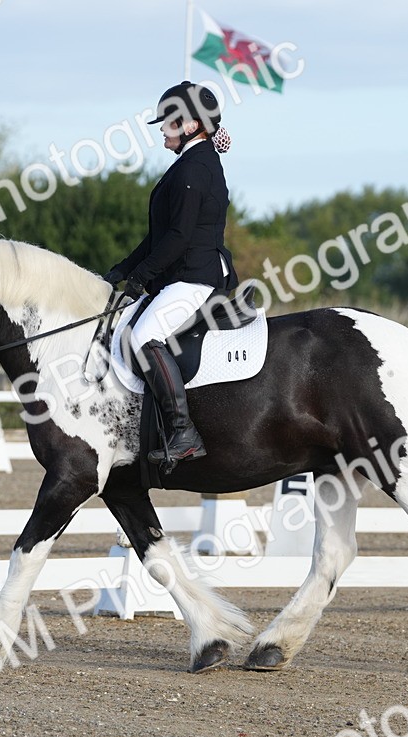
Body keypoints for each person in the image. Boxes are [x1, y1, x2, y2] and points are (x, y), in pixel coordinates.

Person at [104, 81, 237, 469]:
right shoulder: (189, 163)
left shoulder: (195, 167)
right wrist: (122, 270)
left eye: (169, 122)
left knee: (143, 337)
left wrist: (141, 277)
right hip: (181, 275)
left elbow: (179, 237)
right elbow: (158, 237)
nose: (162, 129)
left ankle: (183, 432)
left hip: (195, 278)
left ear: (191, 125)